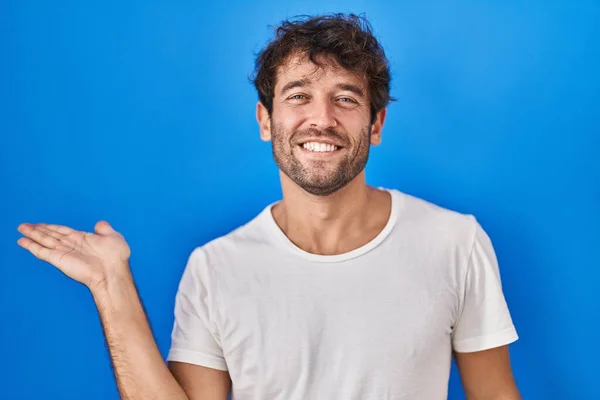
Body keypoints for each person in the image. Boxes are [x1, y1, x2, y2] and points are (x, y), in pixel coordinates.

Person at [16, 13, 521, 400]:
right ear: (265, 120)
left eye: (345, 98)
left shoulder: (455, 241)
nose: (320, 119)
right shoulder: (215, 268)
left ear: (376, 124)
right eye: (298, 96)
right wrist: (111, 286)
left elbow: (496, 393)